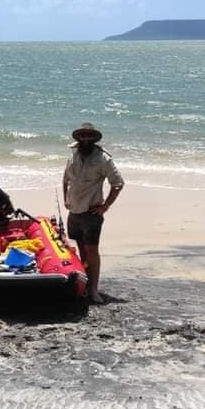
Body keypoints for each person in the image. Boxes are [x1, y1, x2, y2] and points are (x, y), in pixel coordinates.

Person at [62, 123, 124, 303]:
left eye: (89, 136)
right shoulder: (73, 156)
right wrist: (66, 197)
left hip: (91, 213)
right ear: (78, 137)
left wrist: (105, 206)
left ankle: (94, 290)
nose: (86, 138)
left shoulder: (103, 159)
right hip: (73, 211)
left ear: (94, 138)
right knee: (81, 250)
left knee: (92, 251)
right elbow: (65, 179)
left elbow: (118, 184)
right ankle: (85, 284)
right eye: (83, 136)